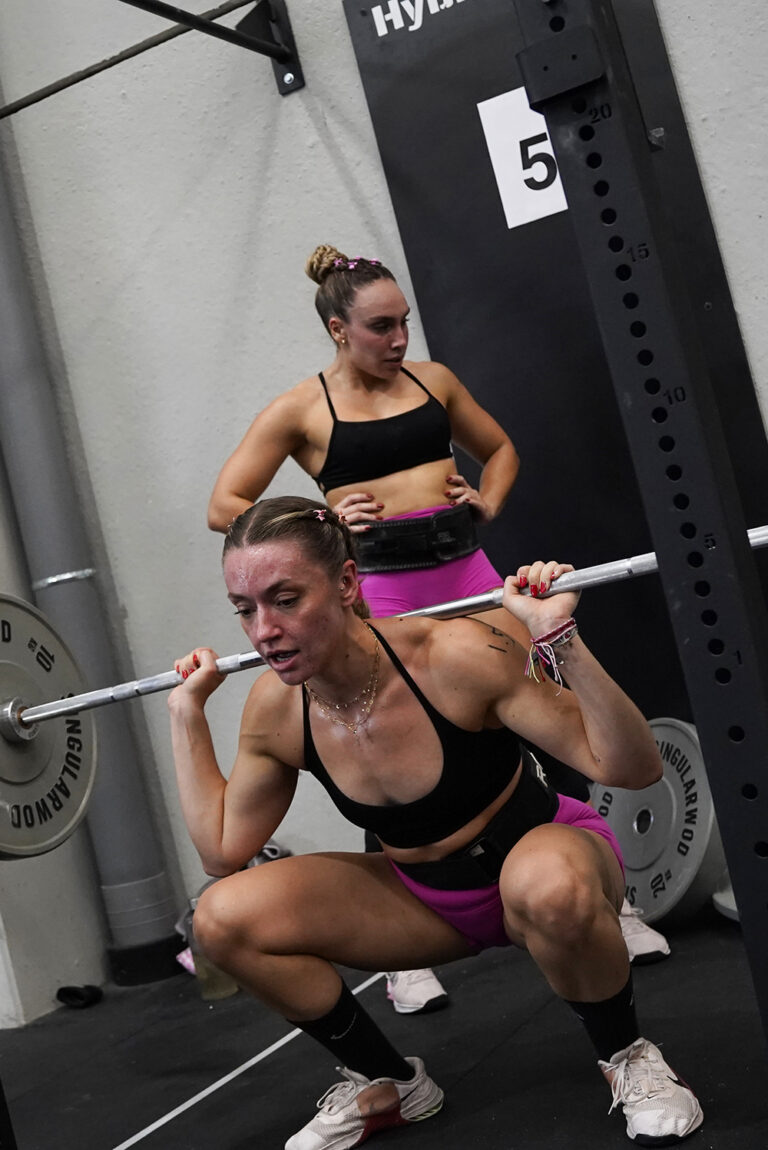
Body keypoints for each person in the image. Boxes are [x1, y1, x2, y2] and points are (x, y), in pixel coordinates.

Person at [169, 496, 702, 1150]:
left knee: (546, 887)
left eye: (285, 600)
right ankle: (387, 1083)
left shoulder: (454, 657)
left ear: (346, 583)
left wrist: (559, 639)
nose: (264, 631)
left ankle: (628, 1058)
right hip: (424, 901)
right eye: (245, 609)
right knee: (220, 919)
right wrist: (186, 715)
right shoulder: (276, 711)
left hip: (548, 862)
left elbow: (633, 768)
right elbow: (223, 851)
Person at [207, 242, 670, 974]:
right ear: (338, 330)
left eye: (404, 323)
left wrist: (488, 498)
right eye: (380, 327)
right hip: (383, 591)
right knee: (381, 750)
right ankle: (408, 960)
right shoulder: (301, 409)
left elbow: (502, 450)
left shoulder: (435, 381)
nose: (398, 340)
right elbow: (225, 505)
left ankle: (603, 900)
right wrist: (323, 517)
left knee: (545, 714)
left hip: (469, 578)